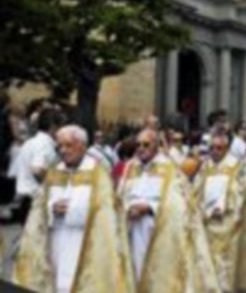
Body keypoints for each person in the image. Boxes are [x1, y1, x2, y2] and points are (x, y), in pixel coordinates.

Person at [13, 125, 135, 293]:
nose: (63, 151)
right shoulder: (54, 172)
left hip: (83, 243)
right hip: (56, 242)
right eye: (60, 146)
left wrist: (71, 210)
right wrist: (51, 207)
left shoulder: (98, 174)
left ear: (82, 146)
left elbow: (106, 212)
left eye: (68, 145)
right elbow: (40, 207)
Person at [118, 129, 220, 293]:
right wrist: (127, 208)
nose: (141, 148)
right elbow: (120, 196)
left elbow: (180, 203)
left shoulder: (169, 168)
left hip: (159, 230)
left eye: (146, 144)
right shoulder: (131, 167)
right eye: (138, 145)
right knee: (135, 272)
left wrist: (149, 208)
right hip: (133, 229)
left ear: (156, 146)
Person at [193, 133, 246, 293]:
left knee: (225, 259)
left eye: (219, 148)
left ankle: (225, 288)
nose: (215, 151)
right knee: (208, 257)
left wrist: (222, 207)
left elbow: (240, 190)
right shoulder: (205, 166)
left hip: (227, 219)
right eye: (212, 148)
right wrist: (202, 210)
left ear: (226, 149)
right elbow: (196, 190)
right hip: (207, 218)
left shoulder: (236, 166)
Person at [9, 108, 65, 223]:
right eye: (61, 127)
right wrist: (58, 180)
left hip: (25, 199)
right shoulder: (44, 144)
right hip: (34, 200)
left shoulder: (31, 142)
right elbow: (37, 170)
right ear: (53, 127)